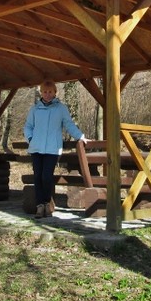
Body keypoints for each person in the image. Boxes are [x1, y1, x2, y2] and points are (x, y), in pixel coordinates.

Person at [24, 80, 88, 219]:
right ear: (41, 93)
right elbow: (28, 126)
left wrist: (80, 136)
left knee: (46, 176)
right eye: (45, 92)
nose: (47, 94)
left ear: (55, 93)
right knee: (38, 177)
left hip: (52, 149)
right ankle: (40, 206)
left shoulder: (61, 109)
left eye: (50, 92)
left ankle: (47, 203)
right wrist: (30, 138)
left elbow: (69, 125)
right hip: (36, 148)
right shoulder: (35, 109)